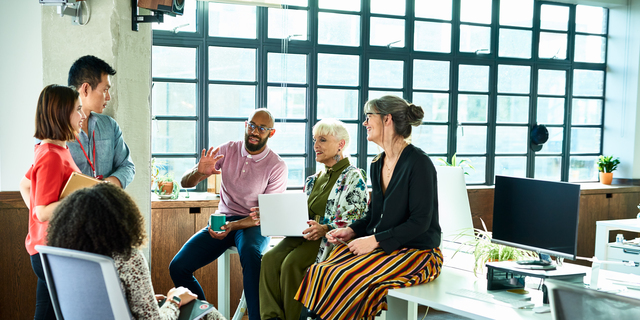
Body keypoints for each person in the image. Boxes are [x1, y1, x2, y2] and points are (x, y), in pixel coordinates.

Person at [294, 95, 443, 320]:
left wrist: (374, 241)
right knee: (321, 270)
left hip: (417, 252)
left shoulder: (419, 163)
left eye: (369, 117)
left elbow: (420, 222)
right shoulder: (378, 163)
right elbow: (374, 214)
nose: (365, 123)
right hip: (384, 247)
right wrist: (352, 230)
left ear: (387, 120)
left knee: (346, 277)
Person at [170, 108, 288, 320]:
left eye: (262, 128)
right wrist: (199, 172)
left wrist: (232, 227)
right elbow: (185, 183)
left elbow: (265, 216)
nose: (254, 131)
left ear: (271, 133)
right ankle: (204, 316)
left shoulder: (277, 165)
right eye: (252, 125)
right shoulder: (228, 150)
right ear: (245, 125)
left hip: (254, 225)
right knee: (178, 267)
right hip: (223, 219)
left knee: (252, 256)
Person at [46, 183, 226, 320]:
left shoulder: (65, 259)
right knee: (206, 311)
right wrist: (175, 300)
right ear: (122, 219)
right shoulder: (128, 258)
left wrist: (134, 301)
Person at [257, 119, 369, 320]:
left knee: (291, 264)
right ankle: (272, 317)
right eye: (315, 139)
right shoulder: (313, 179)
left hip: (329, 239)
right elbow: (301, 213)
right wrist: (274, 216)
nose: (316, 145)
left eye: (323, 140)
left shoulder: (353, 177)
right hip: (303, 234)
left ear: (341, 144)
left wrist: (325, 228)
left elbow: (356, 219)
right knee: (268, 259)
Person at [19, 84, 86, 320]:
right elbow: (43, 212)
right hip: (52, 252)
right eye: (78, 109)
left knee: (45, 313)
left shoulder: (51, 149)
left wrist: (39, 222)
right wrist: (85, 196)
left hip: (47, 249)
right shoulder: (51, 156)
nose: (83, 115)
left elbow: (25, 185)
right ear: (61, 113)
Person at [66, 55, 135, 188]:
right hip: (72, 207)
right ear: (86, 89)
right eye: (105, 90)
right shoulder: (55, 130)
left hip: (106, 206)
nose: (108, 97)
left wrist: (106, 185)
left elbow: (127, 167)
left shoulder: (110, 126)